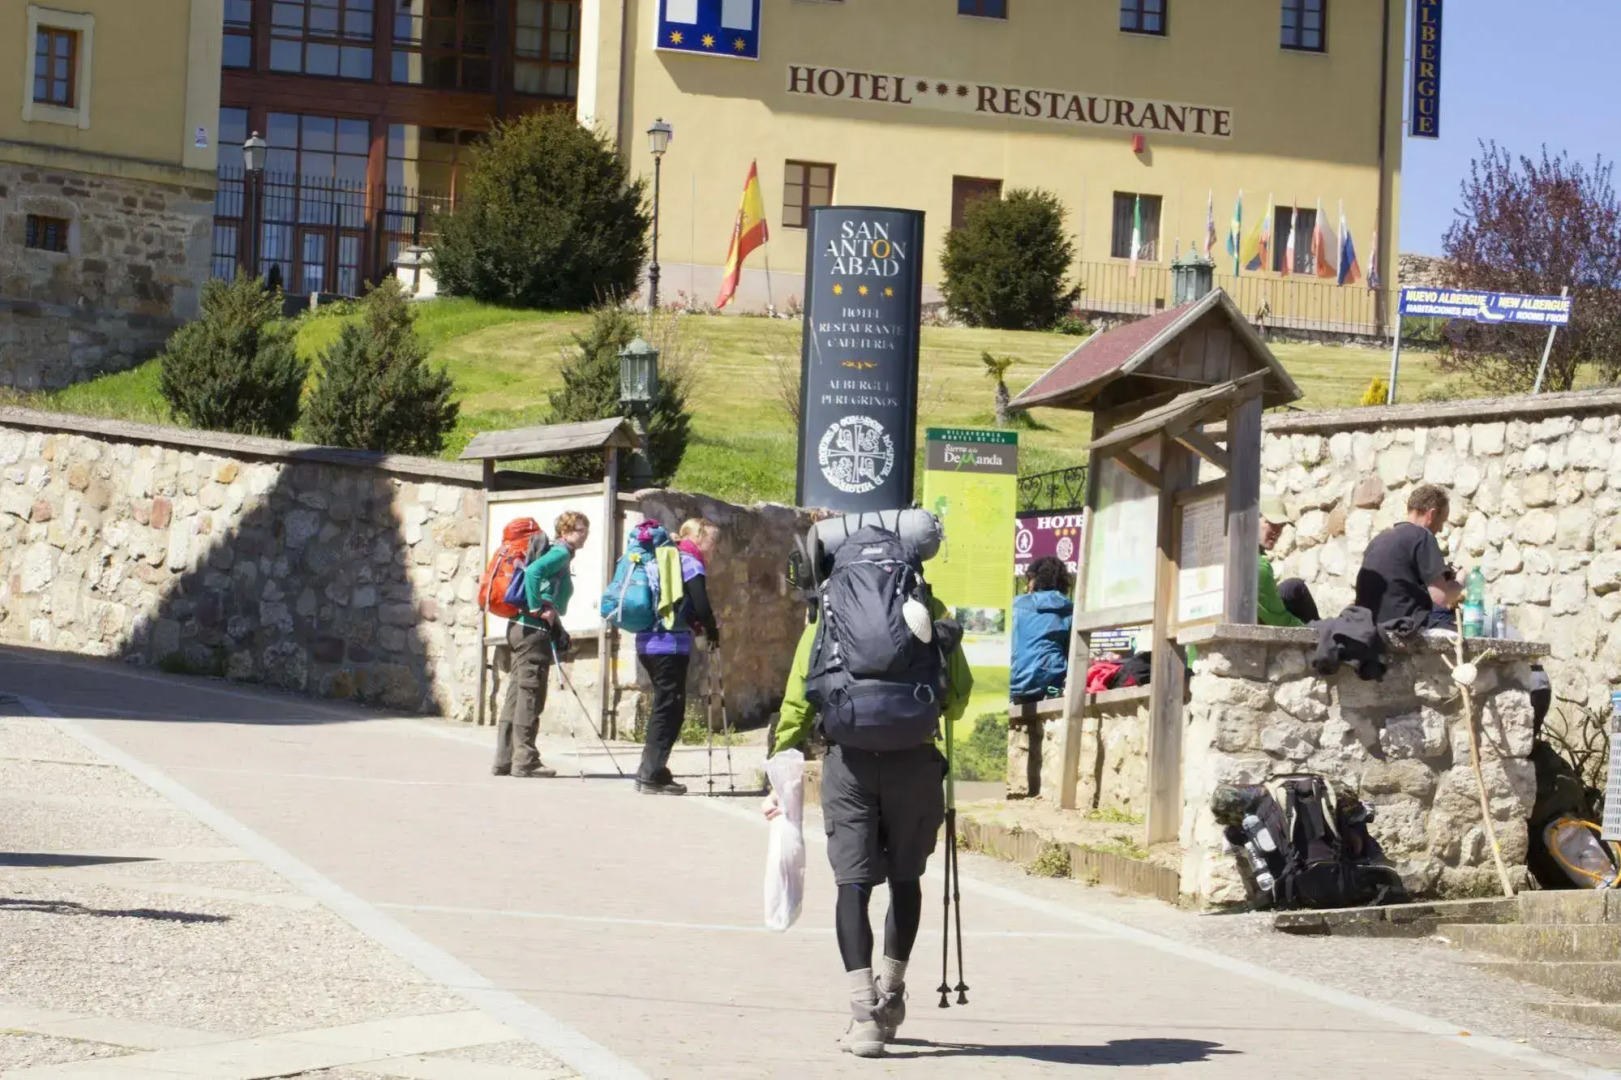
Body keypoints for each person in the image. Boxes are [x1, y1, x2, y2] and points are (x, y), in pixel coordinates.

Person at [765, 531, 973, 1059]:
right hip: (914, 763)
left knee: (853, 885)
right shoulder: (927, 603)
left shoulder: (829, 608)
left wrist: (781, 768)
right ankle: (893, 994)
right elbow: (958, 696)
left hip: (849, 762)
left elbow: (799, 695)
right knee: (906, 881)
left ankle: (863, 1017)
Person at [493, 511, 590, 778]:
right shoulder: (560, 553)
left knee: (517, 693)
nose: (585, 536)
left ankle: (505, 759)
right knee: (530, 695)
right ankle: (525, 760)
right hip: (533, 631)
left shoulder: (556, 553)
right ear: (567, 532)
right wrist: (537, 607)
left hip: (519, 629)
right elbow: (534, 572)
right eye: (581, 530)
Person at [634, 517, 721, 795]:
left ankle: (652, 770)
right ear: (698, 537)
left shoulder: (667, 558)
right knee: (669, 708)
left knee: (665, 705)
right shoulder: (689, 560)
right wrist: (712, 630)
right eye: (712, 541)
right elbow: (701, 603)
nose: (714, 548)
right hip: (669, 644)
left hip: (647, 641)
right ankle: (651, 774)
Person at [1355, 484, 1463, 628]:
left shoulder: (1378, 539)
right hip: (1403, 627)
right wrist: (1460, 582)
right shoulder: (1423, 536)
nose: (1441, 529)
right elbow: (1441, 599)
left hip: (1370, 626)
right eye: (1442, 521)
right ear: (1431, 514)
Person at [1010, 556, 1073, 704]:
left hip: (1014, 685)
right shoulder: (1070, 611)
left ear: (1035, 580)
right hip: (1051, 685)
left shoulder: (1016, 606)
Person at [1258, 494, 1320, 626]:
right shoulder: (1260, 567)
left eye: (1281, 525)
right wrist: (1313, 633)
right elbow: (1279, 620)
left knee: (1295, 586)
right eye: (1272, 523)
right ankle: (1320, 646)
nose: (1277, 531)